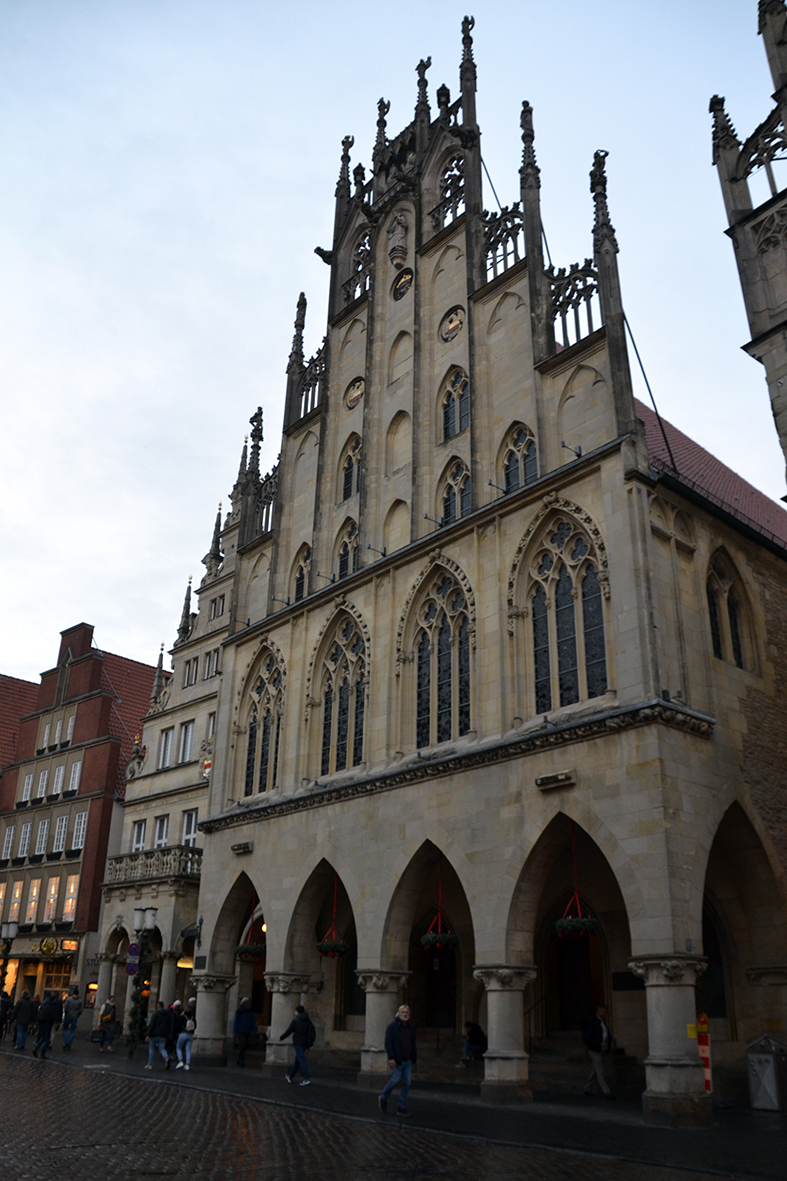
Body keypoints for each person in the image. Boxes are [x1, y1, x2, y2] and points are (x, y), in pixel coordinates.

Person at [379, 1004, 417, 1116]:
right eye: (403, 1012)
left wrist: (414, 1057)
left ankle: (401, 1106)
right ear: (399, 1014)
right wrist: (391, 1057)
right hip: (397, 1059)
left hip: (408, 1060)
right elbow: (388, 1043)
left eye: (407, 1013)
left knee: (407, 1083)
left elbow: (413, 1043)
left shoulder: (411, 1027)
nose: (405, 1014)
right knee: (395, 1080)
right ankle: (383, 1097)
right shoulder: (392, 1027)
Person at [583, 1003, 615, 1099]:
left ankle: (587, 1088)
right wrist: (599, 1043)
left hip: (601, 1050)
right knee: (599, 1070)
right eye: (604, 1012)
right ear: (599, 1011)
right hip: (594, 1049)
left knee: (595, 1069)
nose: (606, 1014)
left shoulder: (602, 1022)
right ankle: (607, 1091)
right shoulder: (593, 1022)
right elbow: (588, 1038)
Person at [279, 1003, 315, 1086]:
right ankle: (290, 1076)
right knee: (297, 1060)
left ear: (298, 1012)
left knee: (301, 1059)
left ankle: (306, 1078)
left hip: (298, 1042)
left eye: (295, 1011)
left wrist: (282, 1037)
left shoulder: (296, 1021)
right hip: (305, 1043)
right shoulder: (308, 1021)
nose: (294, 1013)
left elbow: (289, 1031)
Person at [145, 1000, 175, 1070]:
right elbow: (169, 1024)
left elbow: (152, 1024)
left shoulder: (155, 1014)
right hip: (163, 1035)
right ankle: (166, 1058)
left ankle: (150, 1064)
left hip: (154, 1034)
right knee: (162, 1049)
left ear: (158, 1006)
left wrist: (148, 1034)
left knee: (151, 1049)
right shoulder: (167, 1015)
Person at [33, 989, 62, 1059]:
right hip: (48, 1023)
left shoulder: (44, 1002)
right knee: (47, 1039)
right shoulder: (51, 1006)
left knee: (43, 1038)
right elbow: (52, 1016)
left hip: (42, 1022)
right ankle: (42, 1052)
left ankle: (36, 1049)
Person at [233, 997, 257, 1067]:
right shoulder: (239, 1012)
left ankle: (241, 1060)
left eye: (248, 1003)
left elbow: (252, 1021)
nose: (247, 1004)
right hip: (240, 1030)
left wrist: (254, 1028)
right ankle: (240, 1060)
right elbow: (235, 1021)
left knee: (244, 1046)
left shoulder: (250, 1012)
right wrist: (235, 1030)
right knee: (242, 1045)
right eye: (246, 1003)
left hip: (247, 1030)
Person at [175, 996, 197, 1071]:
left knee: (178, 1048)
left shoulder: (182, 1016)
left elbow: (178, 1025)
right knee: (188, 1050)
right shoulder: (192, 1017)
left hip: (183, 1033)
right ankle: (187, 1064)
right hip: (190, 1034)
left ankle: (180, 1061)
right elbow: (195, 1025)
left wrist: (178, 1031)